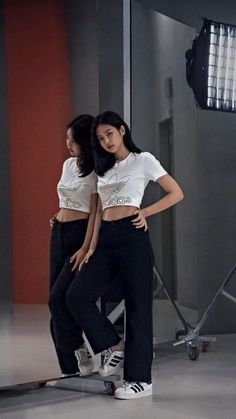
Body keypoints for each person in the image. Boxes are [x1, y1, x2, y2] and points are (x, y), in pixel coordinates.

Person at [66, 111, 184, 399]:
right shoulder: (102, 168)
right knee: (76, 296)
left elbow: (176, 192)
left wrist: (145, 212)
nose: (106, 141)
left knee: (138, 309)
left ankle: (140, 381)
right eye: (100, 137)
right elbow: (98, 212)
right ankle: (113, 345)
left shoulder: (143, 160)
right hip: (106, 238)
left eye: (110, 134)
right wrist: (91, 247)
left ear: (122, 130)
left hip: (132, 236)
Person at [48, 114, 98, 377]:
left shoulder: (98, 171)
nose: (68, 144)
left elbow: (94, 214)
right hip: (58, 233)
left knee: (59, 300)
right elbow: (65, 198)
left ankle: (79, 347)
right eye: (67, 139)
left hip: (79, 236)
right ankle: (69, 371)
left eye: (73, 139)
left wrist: (86, 247)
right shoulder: (69, 165)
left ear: (85, 141)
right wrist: (58, 218)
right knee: (53, 308)